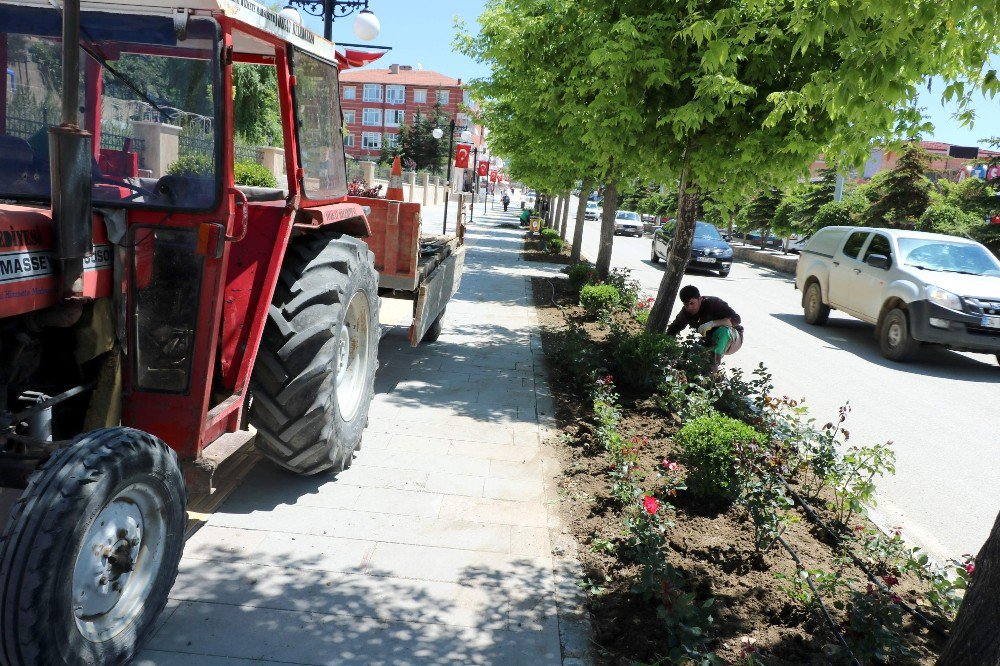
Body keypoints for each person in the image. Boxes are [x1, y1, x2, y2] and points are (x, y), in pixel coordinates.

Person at [666, 285, 743, 373]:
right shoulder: (686, 312)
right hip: (711, 340)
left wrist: (712, 323)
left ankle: (713, 367)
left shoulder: (714, 303)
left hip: (733, 339)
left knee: (723, 332)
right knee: (690, 358)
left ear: (700, 299)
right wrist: (668, 349)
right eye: (686, 305)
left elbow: (737, 319)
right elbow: (673, 328)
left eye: (692, 303)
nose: (689, 307)